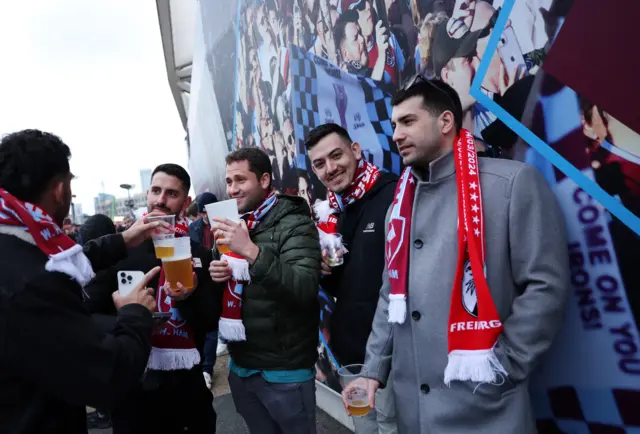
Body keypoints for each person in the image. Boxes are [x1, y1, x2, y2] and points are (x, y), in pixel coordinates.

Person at [343, 77, 570, 433]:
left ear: (446, 122)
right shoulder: (399, 208)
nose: (397, 135)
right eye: (394, 125)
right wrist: (373, 371)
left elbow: (546, 285)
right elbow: (392, 297)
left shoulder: (512, 184)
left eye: (408, 121)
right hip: (413, 412)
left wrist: (505, 367)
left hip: (485, 409)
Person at [0, 129, 167, 434]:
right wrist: (135, 313)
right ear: (61, 190)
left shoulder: (17, 240)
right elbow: (108, 377)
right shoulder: (34, 284)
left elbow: (64, 259)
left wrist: (122, 241)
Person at [85, 164, 221, 434]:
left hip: (187, 392)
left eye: (171, 193)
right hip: (135, 390)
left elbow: (208, 323)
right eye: (156, 191)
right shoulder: (121, 249)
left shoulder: (199, 254)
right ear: (147, 193)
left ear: (186, 202)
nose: (160, 199)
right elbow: (87, 314)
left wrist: (189, 297)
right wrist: (126, 315)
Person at [208, 147, 321, 434]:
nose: (233, 189)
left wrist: (250, 251)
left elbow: (304, 288)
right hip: (241, 366)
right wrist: (216, 273)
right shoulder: (234, 223)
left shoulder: (294, 221)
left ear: (265, 180)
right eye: (229, 181)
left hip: (284, 371)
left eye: (241, 180)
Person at [304, 123, 399, 433]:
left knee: (392, 425)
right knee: (365, 427)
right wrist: (321, 270)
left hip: (392, 353)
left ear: (355, 151)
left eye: (336, 156)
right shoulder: (331, 213)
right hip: (351, 353)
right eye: (320, 163)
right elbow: (342, 285)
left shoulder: (394, 194)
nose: (330, 169)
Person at [188, 191, 225, 388]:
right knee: (209, 326)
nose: (204, 216)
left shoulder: (225, 222)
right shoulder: (193, 227)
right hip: (203, 279)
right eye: (201, 213)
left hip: (224, 274)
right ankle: (206, 368)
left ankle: (209, 365)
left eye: (207, 212)